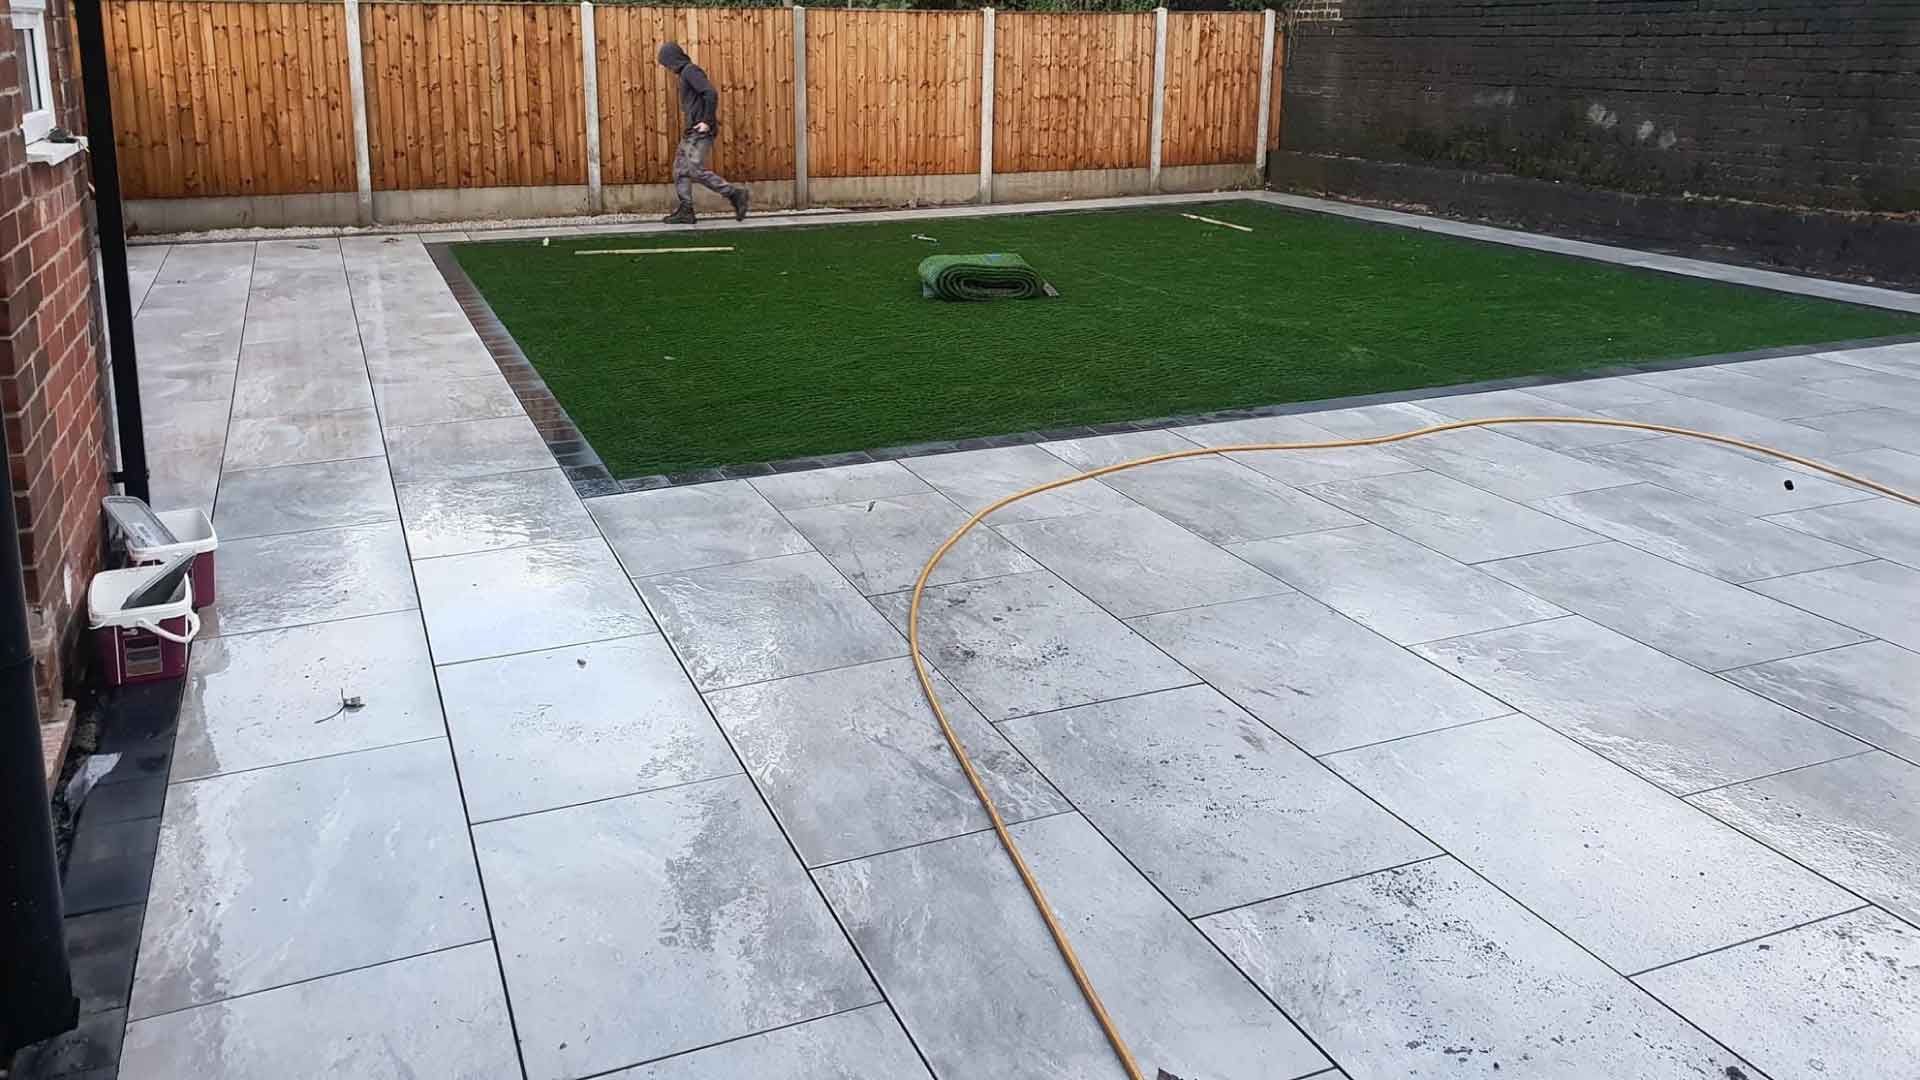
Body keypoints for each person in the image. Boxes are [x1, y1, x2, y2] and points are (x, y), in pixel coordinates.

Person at [657, 42, 750, 225]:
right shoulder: (685, 74)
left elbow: (710, 93)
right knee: (680, 170)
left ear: (673, 59)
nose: (667, 68)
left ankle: (734, 193)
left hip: (701, 131)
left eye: (667, 63)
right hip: (691, 131)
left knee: (693, 169)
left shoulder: (691, 71)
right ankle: (686, 210)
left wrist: (707, 121)